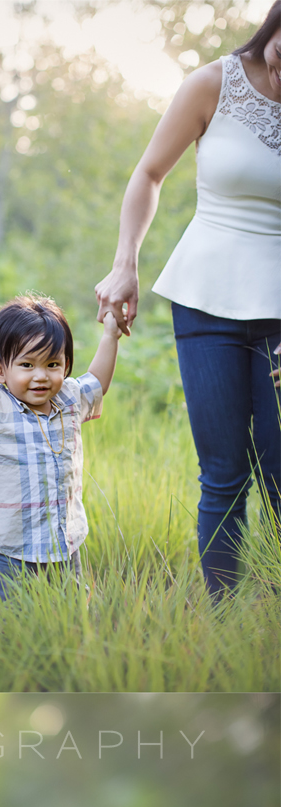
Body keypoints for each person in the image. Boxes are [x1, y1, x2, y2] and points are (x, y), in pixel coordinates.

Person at [94, 2, 281, 597]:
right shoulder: (213, 83)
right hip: (206, 299)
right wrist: (125, 264)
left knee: (280, 474)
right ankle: (224, 620)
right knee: (224, 473)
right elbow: (149, 174)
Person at [0, 295, 121, 602]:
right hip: (11, 549)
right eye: (26, 365)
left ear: (66, 365)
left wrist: (111, 335)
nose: (40, 375)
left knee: (67, 615)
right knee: (11, 623)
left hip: (64, 542)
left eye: (52, 364)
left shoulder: (70, 399)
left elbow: (98, 381)